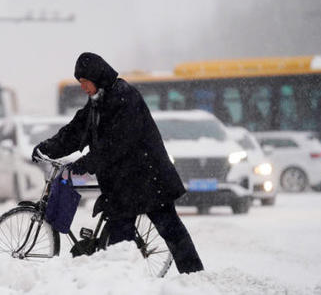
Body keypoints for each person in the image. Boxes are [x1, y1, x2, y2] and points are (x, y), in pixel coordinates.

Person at [32, 52, 204, 274]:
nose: (83, 87)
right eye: (80, 83)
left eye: (85, 82)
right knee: (119, 244)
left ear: (96, 77)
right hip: (125, 185)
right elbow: (75, 132)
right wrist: (47, 147)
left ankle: (196, 279)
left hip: (150, 178)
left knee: (170, 230)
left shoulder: (125, 97)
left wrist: (87, 163)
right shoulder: (97, 102)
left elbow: (117, 142)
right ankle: (124, 283)